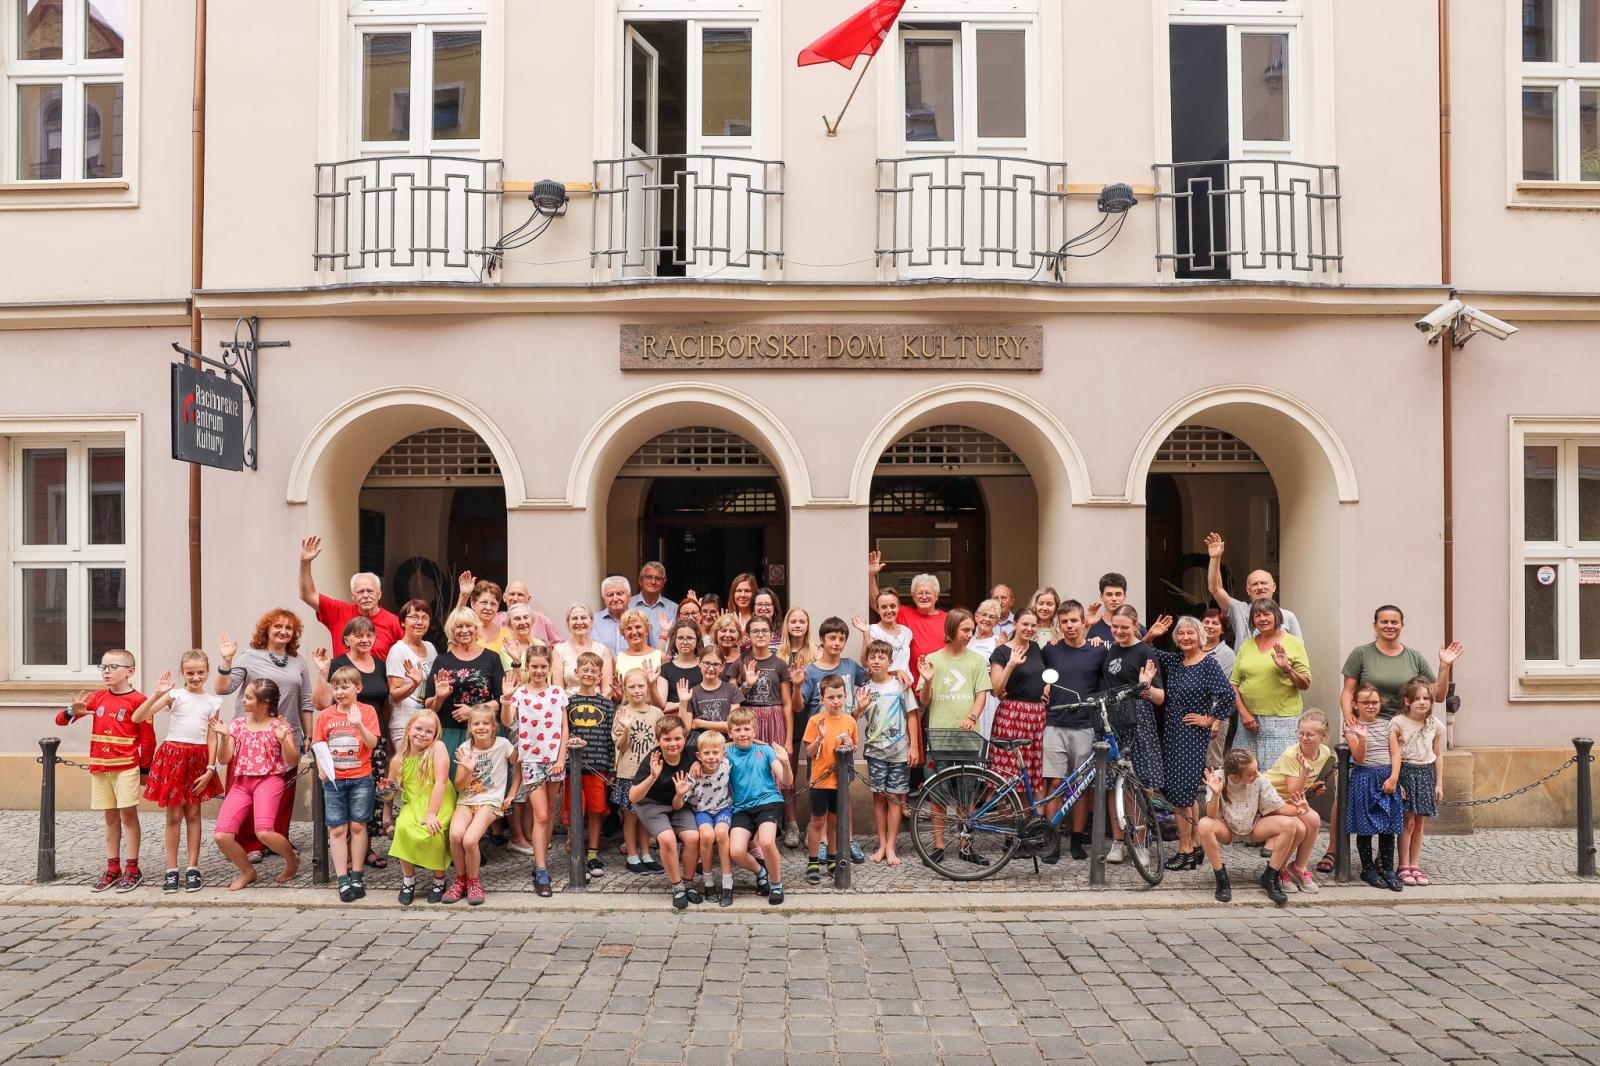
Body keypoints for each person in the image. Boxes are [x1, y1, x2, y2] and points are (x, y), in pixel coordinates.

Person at [216, 612, 314, 865]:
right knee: (246, 789)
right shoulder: (249, 657)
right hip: (250, 735)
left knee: (282, 792)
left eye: (289, 628)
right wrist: (226, 661)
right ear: (266, 629)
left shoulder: (298, 661)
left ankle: (276, 837)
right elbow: (224, 688)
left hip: (284, 732)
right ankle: (249, 842)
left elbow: (305, 701)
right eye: (278, 626)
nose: (283, 631)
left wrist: (308, 734)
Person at [57, 649, 152, 892]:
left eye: (113, 667)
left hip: (126, 767)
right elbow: (60, 720)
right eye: (103, 667)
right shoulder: (97, 698)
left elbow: (148, 739)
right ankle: (113, 868)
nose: (106, 671)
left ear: (130, 671)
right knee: (109, 817)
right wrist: (71, 711)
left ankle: (133, 868)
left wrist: (145, 769)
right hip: (101, 767)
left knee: (128, 816)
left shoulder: (139, 701)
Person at [1148, 617, 1235, 872]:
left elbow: (1227, 695)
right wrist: (1151, 635)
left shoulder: (1208, 664)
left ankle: (1185, 850)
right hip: (1173, 733)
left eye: (1191, 633)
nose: (1186, 637)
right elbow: (1146, 651)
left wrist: (1209, 718)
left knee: (1181, 796)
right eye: (1181, 634)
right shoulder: (1176, 661)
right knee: (1184, 794)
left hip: (1191, 736)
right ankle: (1195, 844)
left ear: (1200, 636)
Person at [134, 652, 225, 893]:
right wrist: (158, 693)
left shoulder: (212, 702)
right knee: (173, 816)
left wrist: (210, 769)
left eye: (200, 672)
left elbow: (212, 736)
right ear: (182, 673)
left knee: (194, 814)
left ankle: (193, 867)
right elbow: (139, 716)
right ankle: (171, 869)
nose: (196, 677)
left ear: (207, 671)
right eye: (190, 673)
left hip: (198, 759)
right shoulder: (175, 696)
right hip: (173, 756)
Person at [314, 617, 393, 870]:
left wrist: (386, 737)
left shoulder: (380, 665)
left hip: (372, 735)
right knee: (344, 797)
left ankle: (365, 850)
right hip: (341, 739)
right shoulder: (338, 663)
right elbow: (321, 702)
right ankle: (345, 854)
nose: (364, 639)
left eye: (369, 634)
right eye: (358, 635)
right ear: (346, 639)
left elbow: (386, 703)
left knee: (368, 798)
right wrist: (321, 671)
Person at [916, 609, 992, 866]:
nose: (970, 635)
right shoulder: (933, 660)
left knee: (966, 796)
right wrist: (927, 681)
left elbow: (982, 694)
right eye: (966, 630)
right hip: (939, 737)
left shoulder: (976, 660)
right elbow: (923, 701)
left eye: (972, 630)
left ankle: (965, 846)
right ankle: (937, 846)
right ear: (951, 630)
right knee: (937, 796)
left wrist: (971, 717)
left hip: (968, 739)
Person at [212, 679, 299, 890]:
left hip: (269, 780)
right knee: (222, 835)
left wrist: (283, 740)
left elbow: (293, 760)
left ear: (264, 703)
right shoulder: (238, 725)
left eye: (249, 697)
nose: (243, 699)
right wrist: (224, 739)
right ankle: (248, 871)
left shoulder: (280, 725)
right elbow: (224, 760)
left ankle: (292, 861)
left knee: (264, 832)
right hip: (242, 783)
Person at [1193, 750, 1306, 905]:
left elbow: (1278, 807)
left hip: (1253, 828)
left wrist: (1299, 809)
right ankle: (1221, 879)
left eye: (1256, 770)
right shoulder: (1218, 777)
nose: (1257, 775)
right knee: (1204, 824)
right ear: (1235, 777)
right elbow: (1211, 815)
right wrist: (1215, 794)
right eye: (1251, 773)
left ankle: (1271, 876)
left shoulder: (1259, 779)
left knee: (1289, 824)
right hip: (1226, 829)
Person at [1101, 607, 1167, 866]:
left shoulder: (1144, 651)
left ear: (1136, 625)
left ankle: (1140, 844)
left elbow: (1160, 698)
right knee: (1112, 783)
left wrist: (1146, 686)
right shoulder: (1113, 649)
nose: (1118, 631)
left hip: (1137, 719)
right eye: (1114, 627)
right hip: (1112, 719)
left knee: (1135, 783)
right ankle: (1118, 842)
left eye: (1124, 627)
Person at [501, 643, 567, 897]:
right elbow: (508, 721)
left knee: (548, 813)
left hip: (554, 760)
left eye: (543, 667)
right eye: (534, 666)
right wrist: (507, 699)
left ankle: (543, 856)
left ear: (549, 668)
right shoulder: (520, 694)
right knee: (540, 814)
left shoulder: (558, 693)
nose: (539, 671)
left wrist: (561, 758)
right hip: (530, 761)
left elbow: (564, 728)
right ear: (527, 667)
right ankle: (540, 869)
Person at [796, 617, 866, 853]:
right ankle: (824, 843)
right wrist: (797, 686)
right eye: (832, 638)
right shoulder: (811, 670)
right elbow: (799, 706)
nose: (837, 643)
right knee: (822, 796)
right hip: (821, 743)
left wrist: (858, 710)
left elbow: (873, 674)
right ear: (822, 640)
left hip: (844, 740)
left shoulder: (850, 665)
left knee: (843, 795)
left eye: (841, 639)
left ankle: (847, 840)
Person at [314, 665, 382, 903]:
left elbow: (372, 743)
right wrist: (322, 769)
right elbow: (318, 746)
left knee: (357, 826)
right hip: (334, 780)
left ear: (358, 688)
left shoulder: (368, 711)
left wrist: (358, 724)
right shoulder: (325, 716)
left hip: (360, 777)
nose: (340, 692)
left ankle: (357, 875)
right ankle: (342, 878)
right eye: (336, 687)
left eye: (345, 686)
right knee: (337, 828)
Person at [444, 705, 519, 905]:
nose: (481, 727)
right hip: (467, 800)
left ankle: (474, 881)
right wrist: (467, 769)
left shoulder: (503, 745)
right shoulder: (464, 749)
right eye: (476, 723)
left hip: (490, 801)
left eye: (486, 723)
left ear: (494, 726)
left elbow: (519, 767)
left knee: (470, 840)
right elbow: (459, 785)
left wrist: (511, 794)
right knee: (455, 835)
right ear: (469, 727)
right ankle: (460, 880)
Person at [1340, 605, 1463, 722]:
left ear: (1402, 625)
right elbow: (1348, 692)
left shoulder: (1415, 657)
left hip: (1405, 726)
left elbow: (1439, 696)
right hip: (1368, 726)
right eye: (1384, 622)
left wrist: (1445, 666)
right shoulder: (1360, 654)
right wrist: (1348, 715)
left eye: (1394, 622)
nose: (1389, 626)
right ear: (1375, 626)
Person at [1228, 598, 1311, 768]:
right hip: (1248, 721)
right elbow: (1233, 683)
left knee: (1277, 772)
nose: (1262, 619)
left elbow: (1305, 683)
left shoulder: (1293, 643)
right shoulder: (1246, 646)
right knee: (1242, 771)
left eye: (1267, 614)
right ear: (1253, 621)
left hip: (1281, 721)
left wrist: (1287, 668)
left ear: (1277, 617)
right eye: (1257, 615)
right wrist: (1244, 713)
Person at [631, 716, 704, 910]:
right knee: (667, 839)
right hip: (651, 804)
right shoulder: (652, 760)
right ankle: (677, 886)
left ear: (684, 738)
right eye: (667, 739)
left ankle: (688, 883)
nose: (673, 744)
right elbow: (633, 797)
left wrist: (698, 763)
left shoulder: (690, 754)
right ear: (658, 740)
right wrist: (653, 776)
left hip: (679, 803)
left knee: (693, 838)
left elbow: (724, 745)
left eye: (677, 739)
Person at [384, 709, 455, 905]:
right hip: (413, 803)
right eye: (418, 729)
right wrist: (385, 790)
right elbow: (390, 793)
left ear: (435, 735)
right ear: (408, 729)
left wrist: (432, 813)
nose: (422, 734)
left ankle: (439, 879)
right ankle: (408, 880)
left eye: (428, 731)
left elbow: (441, 782)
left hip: (438, 800)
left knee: (433, 830)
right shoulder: (398, 760)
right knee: (404, 828)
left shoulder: (437, 748)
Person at [423, 607, 505, 773]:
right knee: (451, 782)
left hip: (484, 734)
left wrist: (474, 712)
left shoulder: (492, 658)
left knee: (483, 784)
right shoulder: (442, 660)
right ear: (452, 631)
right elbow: (428, 707)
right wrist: (439, 697)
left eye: (468, 625)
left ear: (476, 628)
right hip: (449, 733)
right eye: (459, 626)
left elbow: (502, 700)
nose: (464, 630)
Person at [858, 639, 918, 865]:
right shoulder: (864, 688)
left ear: (890, 661)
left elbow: (912, 715)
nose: (876, 660)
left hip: (899, 750)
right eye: (872, 657)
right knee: (878, 799)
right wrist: (859, 707)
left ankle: (892, 846)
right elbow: (853, 718)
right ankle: (881, 844)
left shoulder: (900, 685)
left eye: (882, 657)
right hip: (875, 751)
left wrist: (913, 746)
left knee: (894, 799)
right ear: (867, 661)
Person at [726, 707, 792, 905]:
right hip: (741, 807)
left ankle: (776, 883)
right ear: (730, 733)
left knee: (766, 842)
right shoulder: (727, 751)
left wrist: (786, 762)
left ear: (755, 731)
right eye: (737, 730)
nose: (743, 733)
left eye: (747, 729)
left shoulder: (765, 750)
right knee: (736, 851)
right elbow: (710, 748)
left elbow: (786, 780)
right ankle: (760, 871)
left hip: (768, 803)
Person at [1262, 707, 1333, 891]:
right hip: (1272, 799)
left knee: (1314, 820)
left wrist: (1312, 785)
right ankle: (1277, 869)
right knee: (1299, 827)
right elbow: (1293, 788)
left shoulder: (1324, 752)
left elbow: (1298, 789)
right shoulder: (1291, 754)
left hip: (1292, 801)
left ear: (1323, 736)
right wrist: (1304, 774)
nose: (1304, 738)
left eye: (1310, 734)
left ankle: (1298, 867)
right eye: (1301, 733)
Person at [297, 534, 402, 658]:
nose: (366, 596)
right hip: (344, 676)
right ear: (353, 596)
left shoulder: (394, 622)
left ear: (379, 594)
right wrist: (305, 563)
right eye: (360, 592)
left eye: (370, 591)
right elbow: (308, 595)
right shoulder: (339, 611)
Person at [1344, 682, 1405, 892]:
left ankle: (1388, 869)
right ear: (1356, 705)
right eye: (1366, 702)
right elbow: (1359, 759)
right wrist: (1362, 738)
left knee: (1389, 828)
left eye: (1375, 702)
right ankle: (1368, 868)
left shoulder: (1387, 725)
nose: (1371, 706)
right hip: (1365, 778)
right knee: (1365, 827)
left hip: (1386, 777)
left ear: (1381, 703)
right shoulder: (1351, 727)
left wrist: (1394, 777)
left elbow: (1395, 753)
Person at [802, 675, 861, 885]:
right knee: (817, 821)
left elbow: (853, 746)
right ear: (822, 698)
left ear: (845, 696)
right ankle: (813, 860)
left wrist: (848, 744)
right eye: (831, 697)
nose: (836, 701)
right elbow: (809, 752)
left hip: (840, 781)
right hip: (820, 780)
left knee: (836, 821)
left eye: (839, 696)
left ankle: (833, 857)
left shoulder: (850, 721)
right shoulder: (815, 721)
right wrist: (819, 738)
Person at [565, 651, 616, 879]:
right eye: (584, 670)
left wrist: (612, 768)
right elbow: (563, 733)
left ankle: (593, 853)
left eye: (593, 671)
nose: (588, 674)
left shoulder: (606, 704)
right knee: (576, 810)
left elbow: (611, 738)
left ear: (600, 676)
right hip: (573, 768)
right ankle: (577, 852)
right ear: (576, 673)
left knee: (596, 810)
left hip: (599, 765)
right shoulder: (568, 703)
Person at [1204, 532, 1301, 649]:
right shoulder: (1239, 610)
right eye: (1255, 584)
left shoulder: (1288, 616)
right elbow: (1215, 589)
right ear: (1248, 590)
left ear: (1274, 587)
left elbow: (1299, 651)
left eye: (1264, 583)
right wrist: (1215, 558)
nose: (1260, 587)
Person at [988, 610, 1048, 795]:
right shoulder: (1001, 651)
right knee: (1007, 773)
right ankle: (1006, 821)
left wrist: (1047, 687)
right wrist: (1011, 664)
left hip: (1036, 716)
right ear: (1015, 624)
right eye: (1025, 624)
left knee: (1032, 771)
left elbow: (1040, 674)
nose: (1029, 629)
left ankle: (1028, 821)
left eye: (1033, 625)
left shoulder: (1037, 648)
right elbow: (996, 690)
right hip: (1012, 715)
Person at [1393, 678, 1446, 886]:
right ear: (1407, 701)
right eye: (1417, 699)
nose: (1422, 702)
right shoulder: (1398, 722)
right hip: (1407, 772)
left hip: (1426, 774)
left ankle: (1415, 864)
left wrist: (1438, 783)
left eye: (1426, 698)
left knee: (1420, 823)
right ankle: (1403, 865)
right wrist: (1396, 779)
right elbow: (1394, 754)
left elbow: (1438, 754)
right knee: (1408, 822)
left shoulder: (1434, 724)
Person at [612, 667, 664, 874]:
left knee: (646, 816)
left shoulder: (656, 713)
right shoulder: (622, 712)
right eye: (631, 687)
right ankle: (632, 855)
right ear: (625, 689)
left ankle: (646, 854)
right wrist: (625, 729)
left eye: (640, 686)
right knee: (630, 816)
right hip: (629, 773)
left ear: (647, 687)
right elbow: (621, 747)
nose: (636, 690)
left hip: (649, 774)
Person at [867, 553, 947, 686]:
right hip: (910, 685)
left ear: (937, 595)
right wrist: (871, 575)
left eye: (928, 593)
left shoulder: (948, 619)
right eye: (919, 593)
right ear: (913, 596)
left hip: (942, 685)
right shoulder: (903, 613)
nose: (924, 596)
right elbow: (878, 602)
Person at [684, 731, 736, 906]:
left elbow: (733, 744)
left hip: (723, 809)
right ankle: (708, 883)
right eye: (706, 753)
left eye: (716, 753)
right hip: (702, 811)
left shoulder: (727, 764)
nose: (712, 757)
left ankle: (728, 884)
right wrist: (695, 763)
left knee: (721, 833)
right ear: (699, 755)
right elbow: (682, 799)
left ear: (723, 755)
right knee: (706, 836)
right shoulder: (694, 774)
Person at [1200, 608, 1236, 769]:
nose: (1209, 626)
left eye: (1215, 623)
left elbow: (1224, 692)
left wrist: (1215, 720)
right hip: (1192, 714)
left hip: (1214, 716)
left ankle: (1215, 794)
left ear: (1222, 629)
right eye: (1206, 622)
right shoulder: (1191, 649)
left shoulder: (1226, 654)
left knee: (1212, 763)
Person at [552, 603, 615, 694]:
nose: (579, 622)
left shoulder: (603, 650)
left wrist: (600, 707)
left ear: (591, 621)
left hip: (598, 705)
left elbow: (607, 690)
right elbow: (558, 690)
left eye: (583, 618)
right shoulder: (559, 651)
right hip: (569, 706)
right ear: (568, 623)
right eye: (574, 618)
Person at [851, 590, 909, 673]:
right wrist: (866, 633)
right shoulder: (873, 630)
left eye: (892, 606)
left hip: (906, 685)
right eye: (884, 607)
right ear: (878, 609)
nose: (889, 611)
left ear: (898, 607)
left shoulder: (907, 632)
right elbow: (865, 663)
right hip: (884, 684)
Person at [659, 619, 708, 713]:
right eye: (680, 638)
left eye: (689, 638)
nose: (685, 642)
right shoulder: (665, 669)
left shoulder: (705, 667)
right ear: (674, 640)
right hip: (674, 723)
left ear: (697, 640)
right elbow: (662, 706)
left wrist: (675, 705)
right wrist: (684, 703)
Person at [629, 561, 677, 647]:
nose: (653, 582)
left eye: (658, 578)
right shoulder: (628, 605)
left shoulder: (674, 608)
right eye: (649, 577)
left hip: (664, 659)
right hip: (634, 658)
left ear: (663, 583)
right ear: (640, 581)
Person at [1086, 574, 1142, 646]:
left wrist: (1149, 636)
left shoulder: (1136, 628)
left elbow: (1144, 653)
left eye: (1118, 594)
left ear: (1124, 596)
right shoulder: (1091, 627)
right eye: (1109, 594)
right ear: (1101, 596)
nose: (1114, 599)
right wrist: (1085, 627)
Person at [615, 609, 664, 688]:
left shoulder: (661, 657)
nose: (634, 632)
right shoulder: (617, 659)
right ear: (623, 634)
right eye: (629, 628)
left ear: (647, 630)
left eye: (638, 627)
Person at [460, 578, 507, 656]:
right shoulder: (463, 631)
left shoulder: (506, 634)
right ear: (472, 603)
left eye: (493, 604)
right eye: (484, 602)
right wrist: (464, 596)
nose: (488, 608)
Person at [592, 576, 633, 657]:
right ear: (604, 598)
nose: (615, 598)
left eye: (619, 594)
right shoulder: (593, 621)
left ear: (629, 596)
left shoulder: (640, 620)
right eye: (610, 595)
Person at [778, 606, 817, 671]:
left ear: (807, 626)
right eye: (793, 622)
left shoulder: (816, 653)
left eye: (802, 622)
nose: (797, 625)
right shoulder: (778, 653)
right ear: (787, 625)